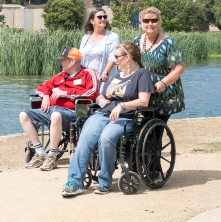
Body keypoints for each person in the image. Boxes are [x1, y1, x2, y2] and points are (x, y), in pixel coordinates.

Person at [62, 41, 155, 196]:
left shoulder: (142, 74)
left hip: (126, 118)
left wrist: (122, 106)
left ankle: (105, 181)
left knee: (106, 138)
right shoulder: (117, 76)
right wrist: (100, 101)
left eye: (117, 56)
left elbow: (144, 101)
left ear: (128, 57)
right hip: (103, 114)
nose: (115, 60)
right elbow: (101, 96)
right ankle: (74, 181)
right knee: (85, 137)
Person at [19, 47, 98, 171]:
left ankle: (52, 155)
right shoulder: (60, 76)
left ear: (72, 61)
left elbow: (92, 92)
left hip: (73, 112)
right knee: (24, 115)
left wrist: (65, 93)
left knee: (56, 115)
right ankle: (40, 152)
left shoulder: (88, 73)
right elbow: (41, 87)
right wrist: (45, 96)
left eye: (63, 60)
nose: (61, 63)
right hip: (52, 109)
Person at [133, 7, 185, 122]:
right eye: (146, 21)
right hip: (143, 92)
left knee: (156, 132)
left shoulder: (168, 43)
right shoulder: (136, 40)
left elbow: (179, 68)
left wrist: (163, 83)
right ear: (141, 23)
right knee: (141, 129)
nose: (150, 24)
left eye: (154, 20)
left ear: (159, 22)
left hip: (163, 94)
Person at [80, 8, 120, 95]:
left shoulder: (113, 37)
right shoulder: (85, 38)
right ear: (92, 21)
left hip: (105, 79)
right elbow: (80, 57)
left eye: (105, 17)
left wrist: (105, 73)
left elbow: (113, 57)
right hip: (87, 80)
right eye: (100, 17)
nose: (103, 19)